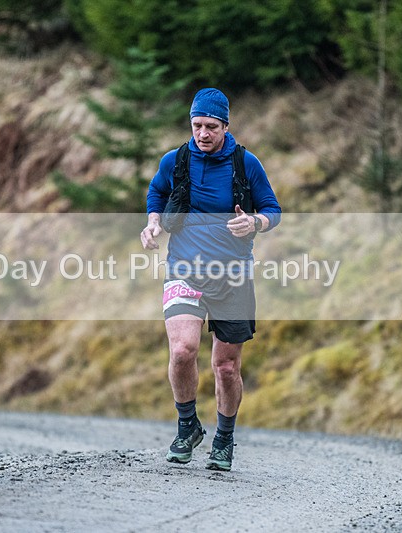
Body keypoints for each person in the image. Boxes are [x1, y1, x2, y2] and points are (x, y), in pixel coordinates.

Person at [140, 88, 281, 471]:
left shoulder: (246, 163)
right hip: (184, 269)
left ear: (226, 126)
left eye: (211, 127)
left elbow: (272, 208)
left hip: (233, 275)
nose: (203, 133)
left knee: (226, 366)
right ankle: (187, 426)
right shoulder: (176, 160)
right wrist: (153, 223)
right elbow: (157, 192)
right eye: (197, 125)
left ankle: (224, 438)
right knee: (182, 350)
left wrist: (255, 222)